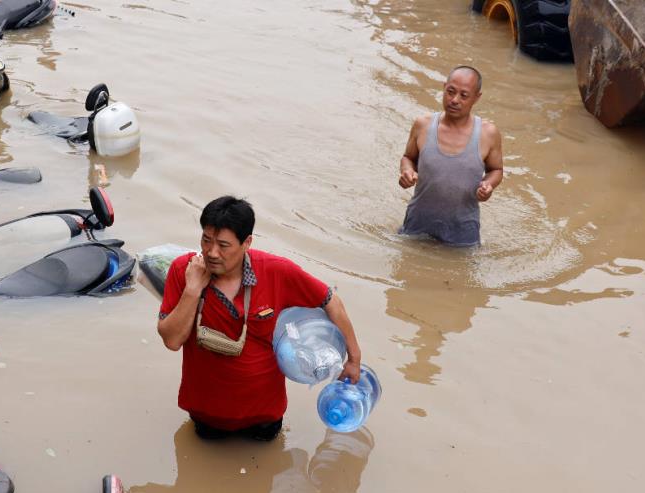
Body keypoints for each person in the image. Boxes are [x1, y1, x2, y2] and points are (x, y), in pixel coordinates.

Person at [157, 196, 362, 441]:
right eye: (206, 240)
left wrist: (354, 359)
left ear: (247, 243)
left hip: (264, 415)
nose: (212, 252)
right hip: (206, 413)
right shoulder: (183, 270)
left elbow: (331, 301)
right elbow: (172, 340)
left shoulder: (277, 271)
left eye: (223, 245)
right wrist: (192, 290)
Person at [398, 65, 504, 246]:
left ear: (476, 98)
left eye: (464, 95)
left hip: (462, 232)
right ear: (444, 87)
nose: (454, 100)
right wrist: (406, 172)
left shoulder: (488, 133)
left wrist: (488, 185)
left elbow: (496, 169)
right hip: (417, 224)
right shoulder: (422, 125)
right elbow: (408, 158)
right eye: (450, 92)